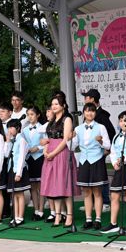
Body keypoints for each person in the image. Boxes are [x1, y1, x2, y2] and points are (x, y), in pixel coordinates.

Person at [41, 91, 80, 228]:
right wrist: (46, 151)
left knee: (65, 185)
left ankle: (69, 215)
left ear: (63, 105)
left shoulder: (67, 119)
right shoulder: (51, 121)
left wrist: (53, 153)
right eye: (52, 104)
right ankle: (57, 214)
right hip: (50, 152)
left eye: (56, 104)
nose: (54, 106)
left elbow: (65, 140)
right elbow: (49, 139)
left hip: (61, 154)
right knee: (54, 186)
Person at [72, 103, 111, 230]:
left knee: (97, 192)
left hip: (97, 160)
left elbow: (108, 146)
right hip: (84, 161)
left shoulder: (101, 127)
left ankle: (98, 219)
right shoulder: (78, 129)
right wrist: (69, 139)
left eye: (92, 111)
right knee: (87, 192)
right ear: (83, 112)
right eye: (87, 111)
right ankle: (88, 219)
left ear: (95, 113)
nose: (90, 113)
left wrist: (100, 141)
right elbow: (72, 147)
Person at [101, 111, 126, 234]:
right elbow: (113, 151)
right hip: (119, 168)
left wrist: (124, 160)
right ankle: (113, 223)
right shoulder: (116, 136)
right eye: (121, 120)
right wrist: (115, 162)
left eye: (125, 120)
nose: (123, 123)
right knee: (115, 194)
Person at [82, 88, 115, 214]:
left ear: (92, 99)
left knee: (101, 176)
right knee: (90, 178)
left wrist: (108, 148)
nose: (85, 99)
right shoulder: (87, 116)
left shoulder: (102, 115)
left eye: (86, 97)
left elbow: (111, 132)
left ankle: (105, 202)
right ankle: (91, 203)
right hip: (88, 153)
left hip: (100, 151)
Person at [5, 119, 32, 226]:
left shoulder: (21, 140)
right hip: (11, 168)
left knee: (20, 194)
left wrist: (19, 173)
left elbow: (21, 157)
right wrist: (7, 141)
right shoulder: (13, 140)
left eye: (12, 127)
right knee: (14, 194)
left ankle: (20, 217)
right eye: (9, 127)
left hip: (19, 169)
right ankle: (15, 216)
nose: (10, 130)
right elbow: (6, 154)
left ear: (18, 128)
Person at [22, 106, 46, 221]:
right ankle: (35, 209)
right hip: (30, 159)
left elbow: (47, 142)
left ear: (38, 115)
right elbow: (23, 143)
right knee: (32, 187)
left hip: (40, 158)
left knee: (41, 186)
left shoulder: (43, 128)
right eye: (28, 115)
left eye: (32, 114)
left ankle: (41, 210)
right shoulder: (25, 130)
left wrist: (39, 147)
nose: (30, 117)